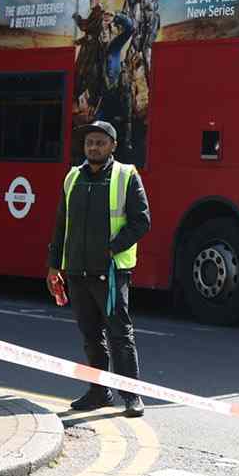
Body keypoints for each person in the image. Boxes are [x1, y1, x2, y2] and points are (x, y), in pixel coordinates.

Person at [46, 120, 150, 417]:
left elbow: (142, 221)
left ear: (112, 146)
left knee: (120, 334)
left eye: (100, 142)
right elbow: (61, 225)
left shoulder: (126, 176)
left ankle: (131, 395)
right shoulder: (72, 178)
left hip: (112, 272)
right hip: (77, 272)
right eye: (90, 142)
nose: (93, 147)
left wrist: (113, 247)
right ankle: (98, 391)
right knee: (90, 335)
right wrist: (54, 267)